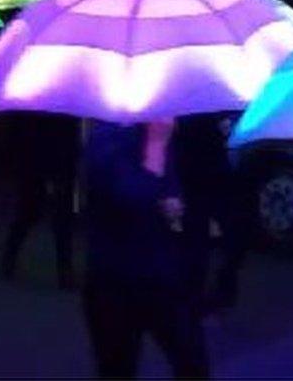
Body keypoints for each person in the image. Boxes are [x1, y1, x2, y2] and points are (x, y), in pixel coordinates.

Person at [82, 120, 209, 379]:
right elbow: (128, 195)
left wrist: (174, 200)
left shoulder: (159, 129)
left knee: (193, 360)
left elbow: (168, 181)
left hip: (161, 272)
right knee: (118, 367)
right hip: (114, 277)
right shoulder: (107, 135)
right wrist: (156, 145)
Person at [172, 111, 251, 314]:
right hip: (210, 172)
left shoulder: (183, 106)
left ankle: (194, 294)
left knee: (197, 237)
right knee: (227, 231)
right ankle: (214, 288)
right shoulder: (212, 104)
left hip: (193, 172)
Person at [0, 112, 80, 289]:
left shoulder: (33, 97)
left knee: (31, 209)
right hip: (56, 149)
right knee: (59, 212)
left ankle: (9, 257)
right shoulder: (67, 97)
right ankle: (64, 271)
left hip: (35, 148)